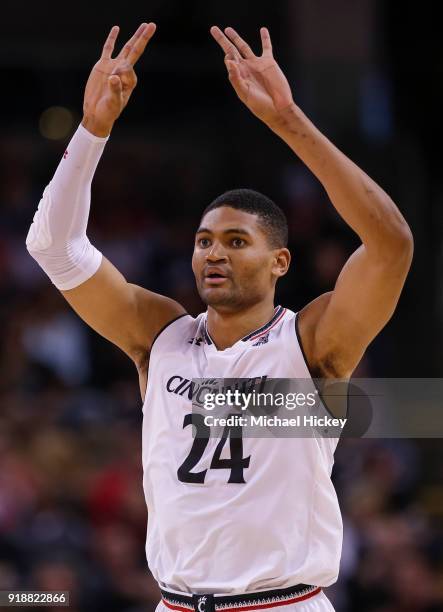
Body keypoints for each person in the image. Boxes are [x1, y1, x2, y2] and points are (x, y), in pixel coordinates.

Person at [26, 21, 413, 612]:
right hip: (176, 603)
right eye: (205, 240)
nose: (213, 252)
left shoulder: (310, 342)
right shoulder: (160, 335)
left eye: (236, 242)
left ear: (280, 261)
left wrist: (288, 121)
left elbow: (390, 244)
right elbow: (54, 247)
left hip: (282, 604)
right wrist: (92, 130)